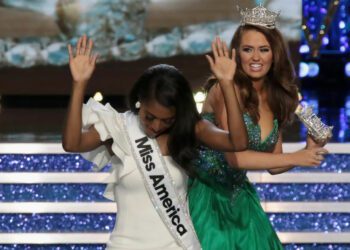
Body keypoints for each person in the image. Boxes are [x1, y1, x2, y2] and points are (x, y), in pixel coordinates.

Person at [62, 34, 248, 250]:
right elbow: (72, 143)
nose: (157, 126)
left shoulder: (190, 129)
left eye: (167, 120)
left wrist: (227, 84)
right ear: (139, 102)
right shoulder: (119, 127)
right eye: (149, 117)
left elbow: (238, 142)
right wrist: (78, 84)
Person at [188, 5, 329, 250]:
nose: (256, 58)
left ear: (274, 54)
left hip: (240, 197)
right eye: (247, 49)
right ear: (236, 53)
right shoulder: (224, 89)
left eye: (263, 50)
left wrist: (308, 149)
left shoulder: (275, 98)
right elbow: (236, 158)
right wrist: (299, 156)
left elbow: (273, 163)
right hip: (207, 197)